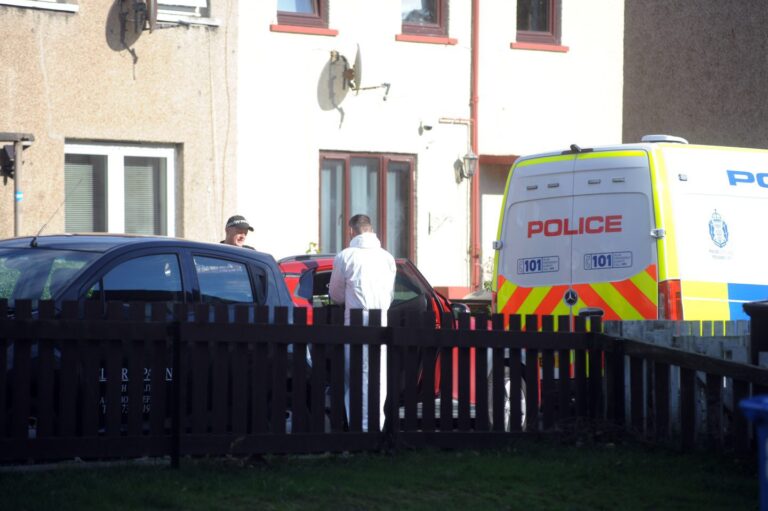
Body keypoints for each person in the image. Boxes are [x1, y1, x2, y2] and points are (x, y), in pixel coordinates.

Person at [329, 214, 396, 432]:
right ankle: (375, 426)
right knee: (379, 377)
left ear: (351, 231)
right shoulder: (387, 257)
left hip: (355, 323)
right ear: (371, 229)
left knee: (356, 375)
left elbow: (336, 295)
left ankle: (360, 427)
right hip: (382, 321)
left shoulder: (345, 257)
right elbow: (391, 294)